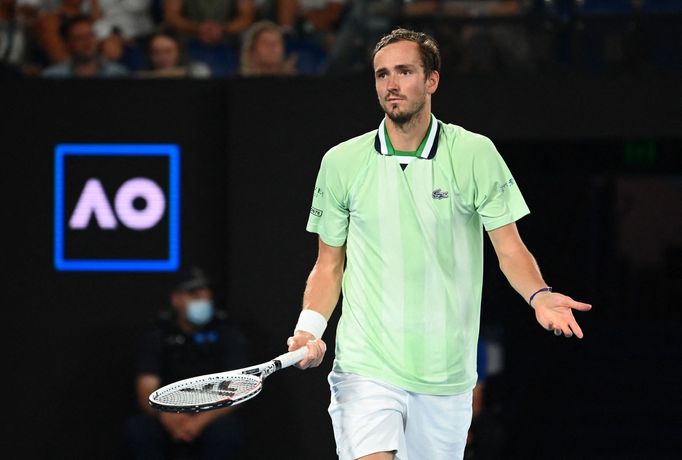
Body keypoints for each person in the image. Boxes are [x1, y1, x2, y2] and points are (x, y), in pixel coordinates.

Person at [285, 28, 592, 460]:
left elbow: (509, 248)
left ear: (431, 81)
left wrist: (539, 295)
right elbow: (328, 264)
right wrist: (310, 330)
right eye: (382, 74)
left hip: (446, 377)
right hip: (366, 367)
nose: (391, 84)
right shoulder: (340, 163)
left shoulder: (474, 153)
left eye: (404, 71)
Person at [123, 266, 248, 459]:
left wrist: (200, 421)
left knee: (227, 432)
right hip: (167, 412)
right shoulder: (157, 336)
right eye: (195, 295)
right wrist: (167, 417)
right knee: (140, 430)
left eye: (207, 296)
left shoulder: (228, 335)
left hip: (211, 415)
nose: (203, 301)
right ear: (176, 300)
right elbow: (146, 388)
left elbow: (239, 388)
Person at [41, 12, 127, 77]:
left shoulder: (117, 74)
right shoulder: (53, 76)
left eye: (90, 35)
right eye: (80, 38)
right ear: (67, 43)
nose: (87, 42)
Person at [136, 28, 211, 78]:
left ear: (179, 52)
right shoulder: (141, 77)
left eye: (168, 51)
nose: (162, 57)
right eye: (156, 52)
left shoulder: (197, 70)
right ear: (149, 55)